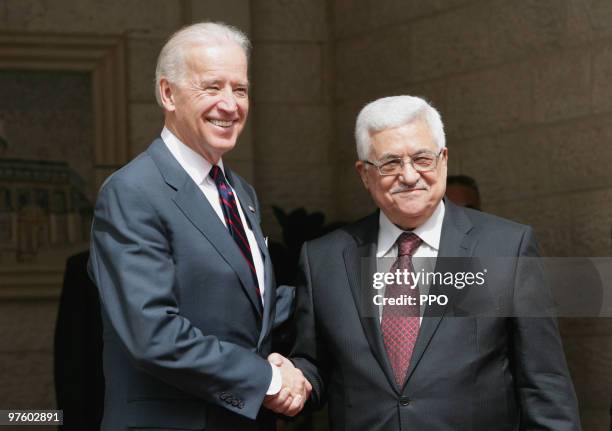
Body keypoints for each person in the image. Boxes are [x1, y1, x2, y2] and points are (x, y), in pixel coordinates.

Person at [287, 96, 581, 430]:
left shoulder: (506, 248)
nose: (409, 176)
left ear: (443, 160)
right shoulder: (323, 259)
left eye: (422, 158)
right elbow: (314, 366)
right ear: (364, 174)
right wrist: (289, 379)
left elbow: (545, 384)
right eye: (390, 163)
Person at [88, 22, 309, 431]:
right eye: (212, 87)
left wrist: (346, 290)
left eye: (239, 90)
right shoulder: (133, 191)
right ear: (167, 93)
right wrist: (270, 379)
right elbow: (153, 334)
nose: (230, 105)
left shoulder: (240, 192)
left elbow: (246, 309)